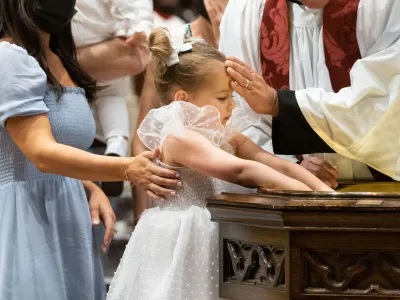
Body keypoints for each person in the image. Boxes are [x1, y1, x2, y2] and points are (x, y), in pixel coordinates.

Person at [107, 27, 332, 300]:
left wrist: (327, 195)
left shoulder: (226, 136)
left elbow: (276, 165)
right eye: (222, 98)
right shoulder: (179, 138)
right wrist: (309, 198)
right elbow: (242, 170)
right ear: (183, 99)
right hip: (186, 241)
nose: (232, 107)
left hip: (222, 237)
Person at [0, 1, 181, 299]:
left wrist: (87, 186)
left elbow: (54, 147)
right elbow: (40, 153)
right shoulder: (9, 58)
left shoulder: (61, 57)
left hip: (69, 218)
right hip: (27, 220)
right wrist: (125, 167)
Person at [220, 0, 400, 181]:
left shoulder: (386, 5)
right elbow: (240, 117)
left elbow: (386, 105)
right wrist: (289, 168)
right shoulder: (246, 13)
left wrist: (278, 103)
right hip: (291, 196)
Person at [72, 0, 153, 196]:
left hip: (76, 37)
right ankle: (116, 146)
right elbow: (130, 4)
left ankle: (115, 150)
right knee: (113, 97)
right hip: (105, 37)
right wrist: (139, 28)